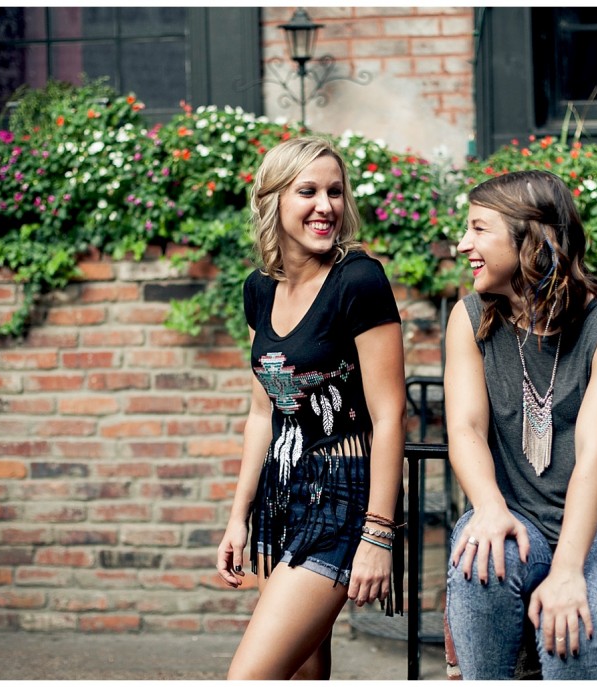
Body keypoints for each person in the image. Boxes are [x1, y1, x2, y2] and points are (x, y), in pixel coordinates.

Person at [443, 169, 597, 679]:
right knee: (479, 564)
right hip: (519, 514)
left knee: (572, 629)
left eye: (478, 229)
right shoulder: (470, 318)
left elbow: (596, 456)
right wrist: (491, 509)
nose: (461, 244)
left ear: (531, 237)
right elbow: (466, 430)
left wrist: (567, 572)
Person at [215, 136, 407, 680]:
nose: (326, 206)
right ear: (272, 199)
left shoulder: (359, 281)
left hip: (343, 495)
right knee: (301, 674)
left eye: (335, 192)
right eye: (308, 191)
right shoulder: (259, 289)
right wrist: (238, 517)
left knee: (248, 678)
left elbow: (390, 415)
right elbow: (262, 412)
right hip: (283, 494)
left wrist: (377, 534)